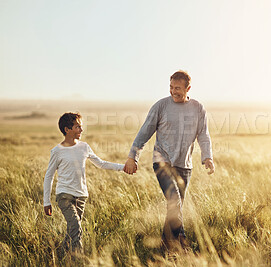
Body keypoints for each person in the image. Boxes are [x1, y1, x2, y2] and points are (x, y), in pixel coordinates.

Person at [124, 70, 215, 251]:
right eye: (171, 87)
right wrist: (132, 156)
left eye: (178, 88)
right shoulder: (161, 106)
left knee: (175, 207)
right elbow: (145, 132)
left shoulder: (198, 108)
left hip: (184, 166)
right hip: (162, 161)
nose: (174, 91)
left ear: (188, 88)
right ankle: (182, 240)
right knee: (174, 200)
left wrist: (207, 157)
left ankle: (166, 247)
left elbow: (203, 135)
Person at [43, 112, 125, 254]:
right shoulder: (57, 151)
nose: (82, 130)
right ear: (67, 130)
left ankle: (62, 257)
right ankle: (78, 260)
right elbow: (49, 176)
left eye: (81, 127)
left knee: (72, 230)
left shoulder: (84, 147)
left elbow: (101, 164)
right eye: (77, 127)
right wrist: (46, 202)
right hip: (64, 195)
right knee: (76, 227)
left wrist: (123, 167)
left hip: (81, 196)